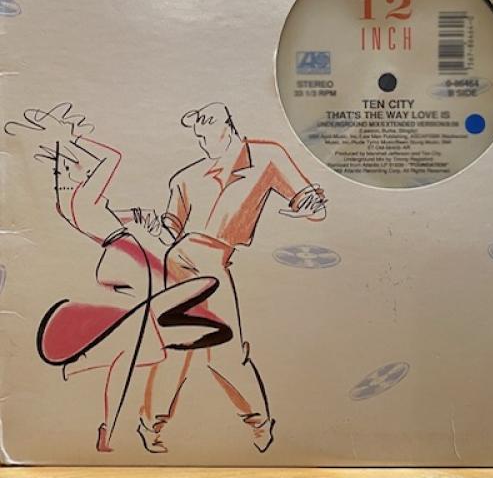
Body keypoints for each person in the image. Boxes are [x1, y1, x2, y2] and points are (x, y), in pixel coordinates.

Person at [5, 104, 227, 454]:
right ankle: (106, 412)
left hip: (126, 258)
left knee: (142, 340)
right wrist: (74, 139)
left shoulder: (78, 204)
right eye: (78, 165)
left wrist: (140, 217)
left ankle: (96, 397)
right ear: (73, 170)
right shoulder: (84, 199)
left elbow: (120, 214)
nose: (87, 167)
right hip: (127, 259)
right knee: (166, 316)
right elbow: (111, 159)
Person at [137, 103, 327, 454]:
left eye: (205, 131)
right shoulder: (187, 177)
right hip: (181, 261)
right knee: (182, 348)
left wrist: (312, 206)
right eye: (197, 134)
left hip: (213, 261)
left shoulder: (267, 157)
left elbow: (307, 202)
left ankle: (254, 425)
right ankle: (158, 425)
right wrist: (150, 226)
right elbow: (169, 232)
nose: (201, 139)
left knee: (215, 351)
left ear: (226, 125)